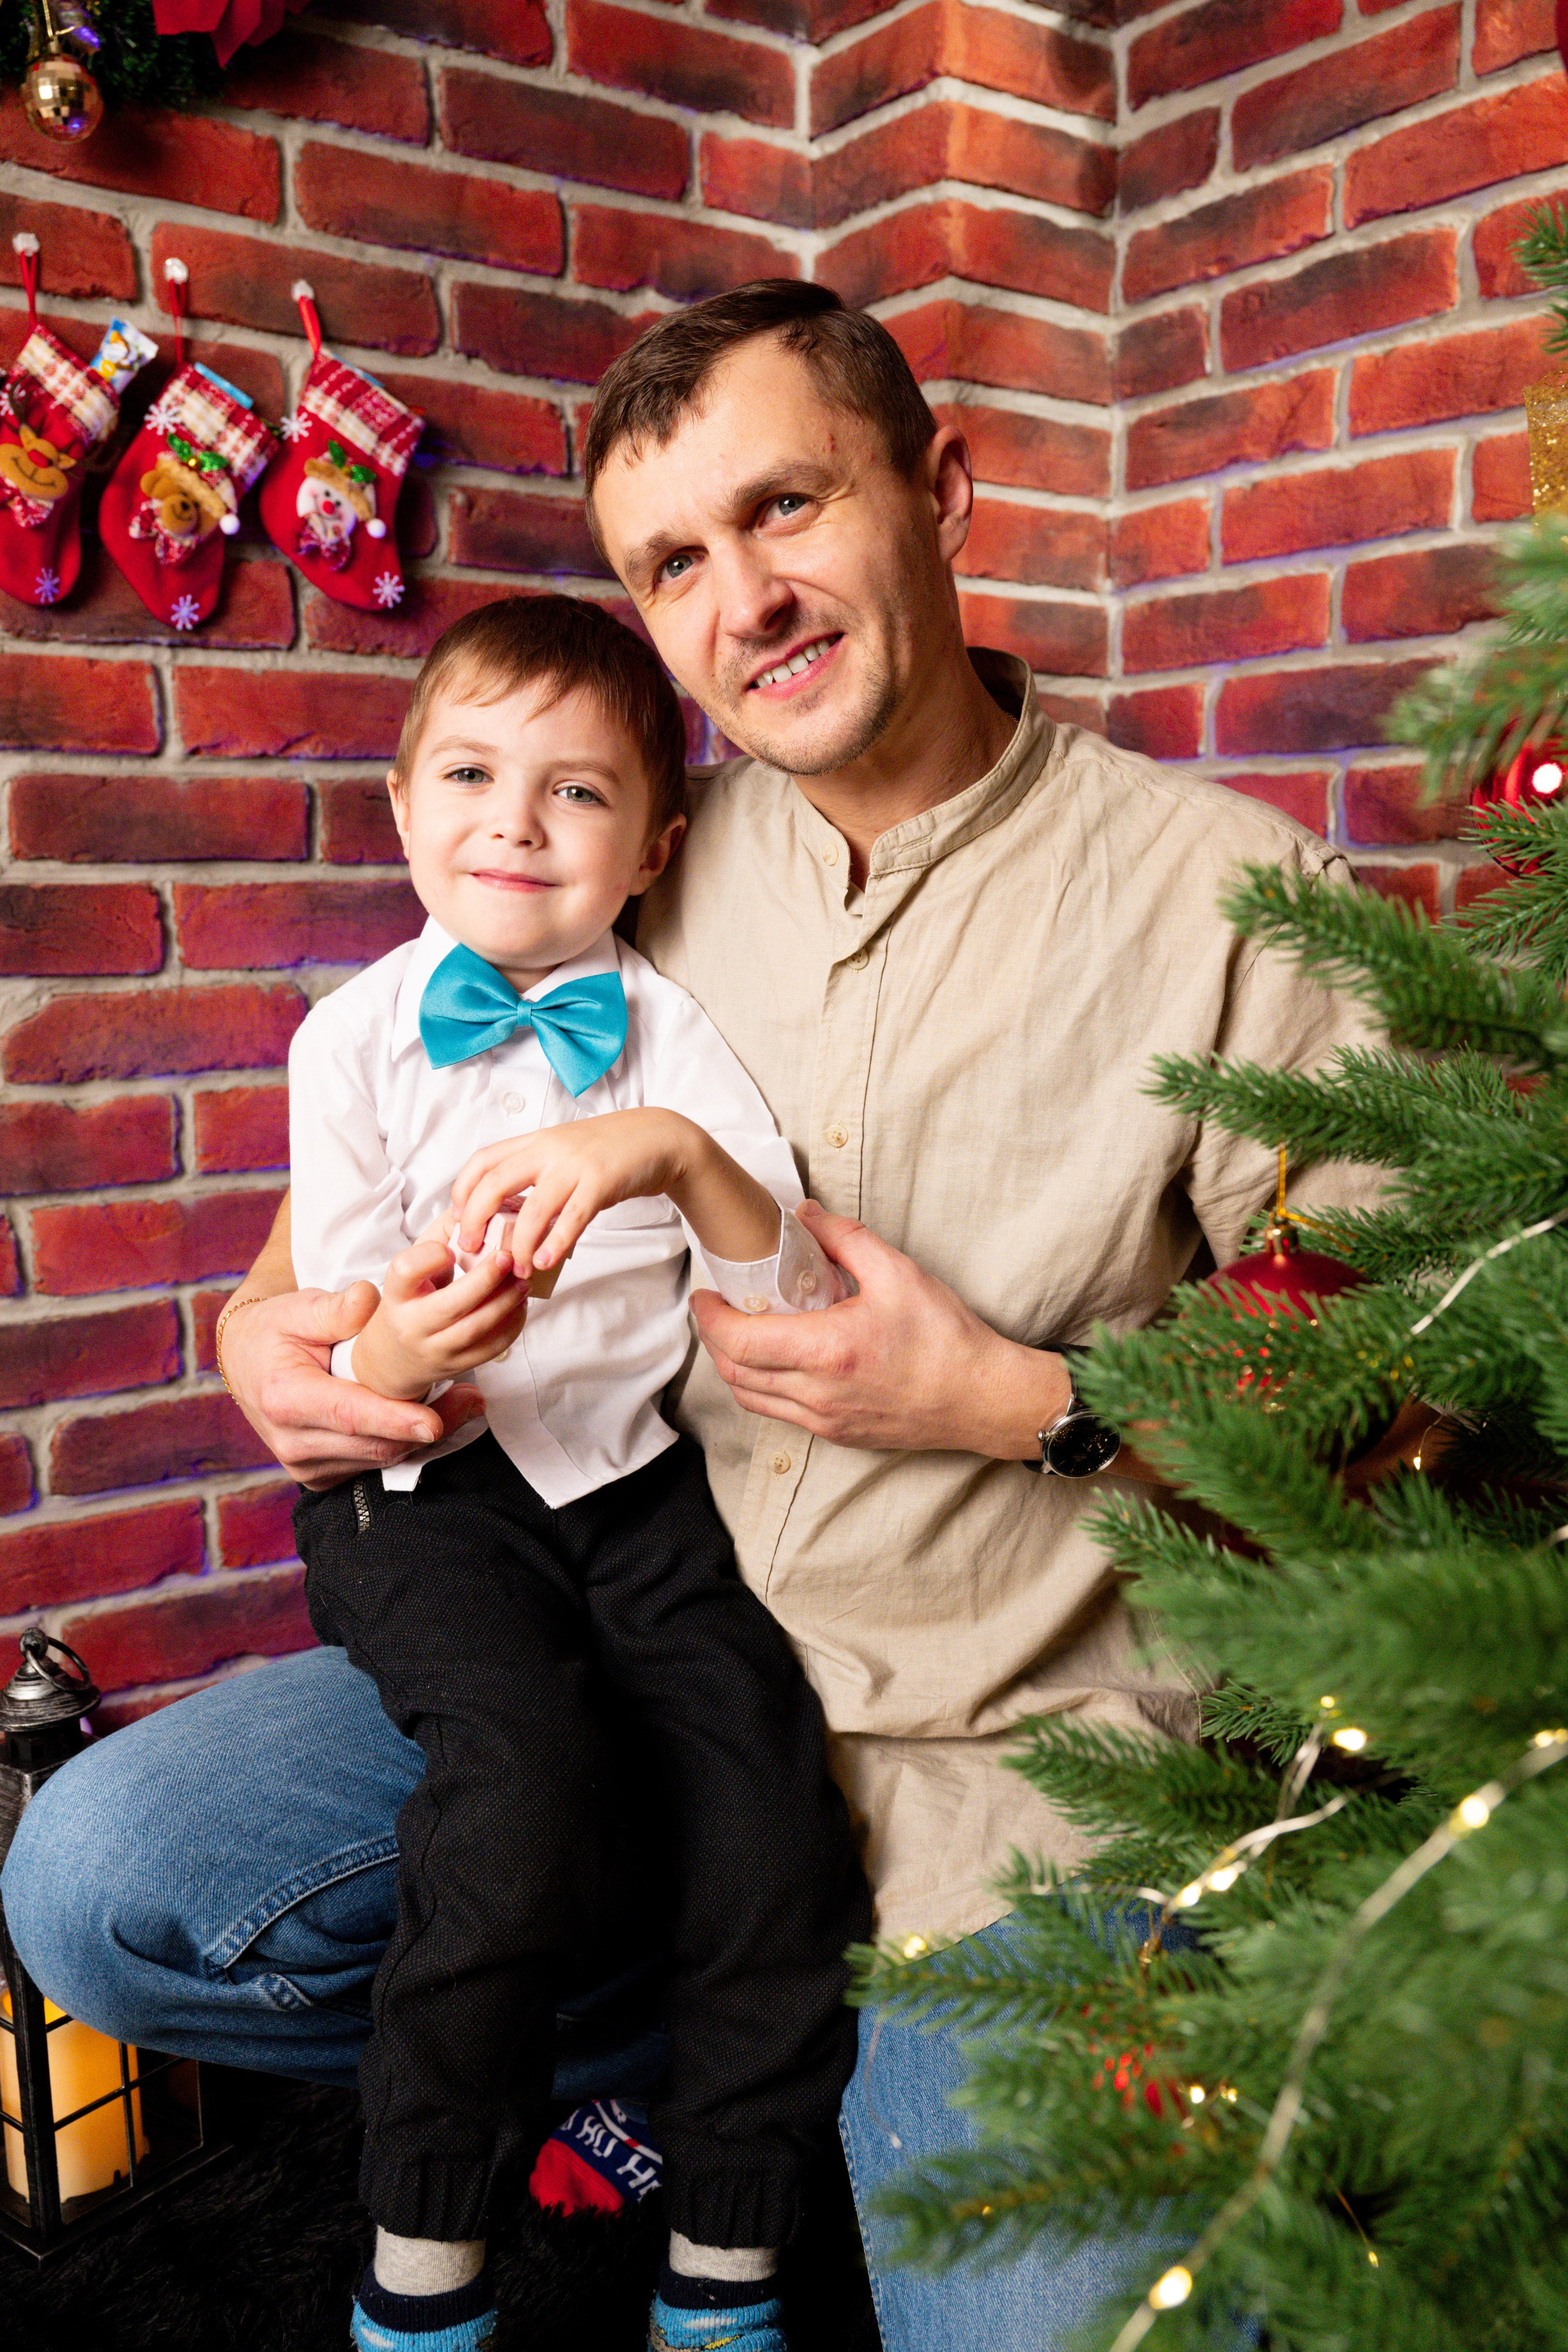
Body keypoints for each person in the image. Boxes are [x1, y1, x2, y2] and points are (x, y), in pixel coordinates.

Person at [3, 282, 1384, 2352]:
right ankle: (688, 2012)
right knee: (102, 1879)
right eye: (673, 562)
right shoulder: (625, 844)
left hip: (1010, 1775)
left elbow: (1419, 1419)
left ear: (941, 491)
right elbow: (378, 1151)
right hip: (635, 1653)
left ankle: (769, 2063)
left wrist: (1016, 1400)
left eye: (787, 508)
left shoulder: (1232, 902)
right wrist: (260, 1337)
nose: (743, 599)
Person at [286, 591, 869, 2352]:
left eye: (577, 793)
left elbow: (787, 1285)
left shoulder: (670, 1035)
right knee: (518, 1792)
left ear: (655, 846)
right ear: (401, 810)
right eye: (468, 774)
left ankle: (727, 2259)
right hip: (426, 1496)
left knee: (770, 1806)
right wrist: (407, 1352)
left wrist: (668, 1155)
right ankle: (425, 2264)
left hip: (640, 1490)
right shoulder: (354, 1042)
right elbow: (343, 1342)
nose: (513, 823)